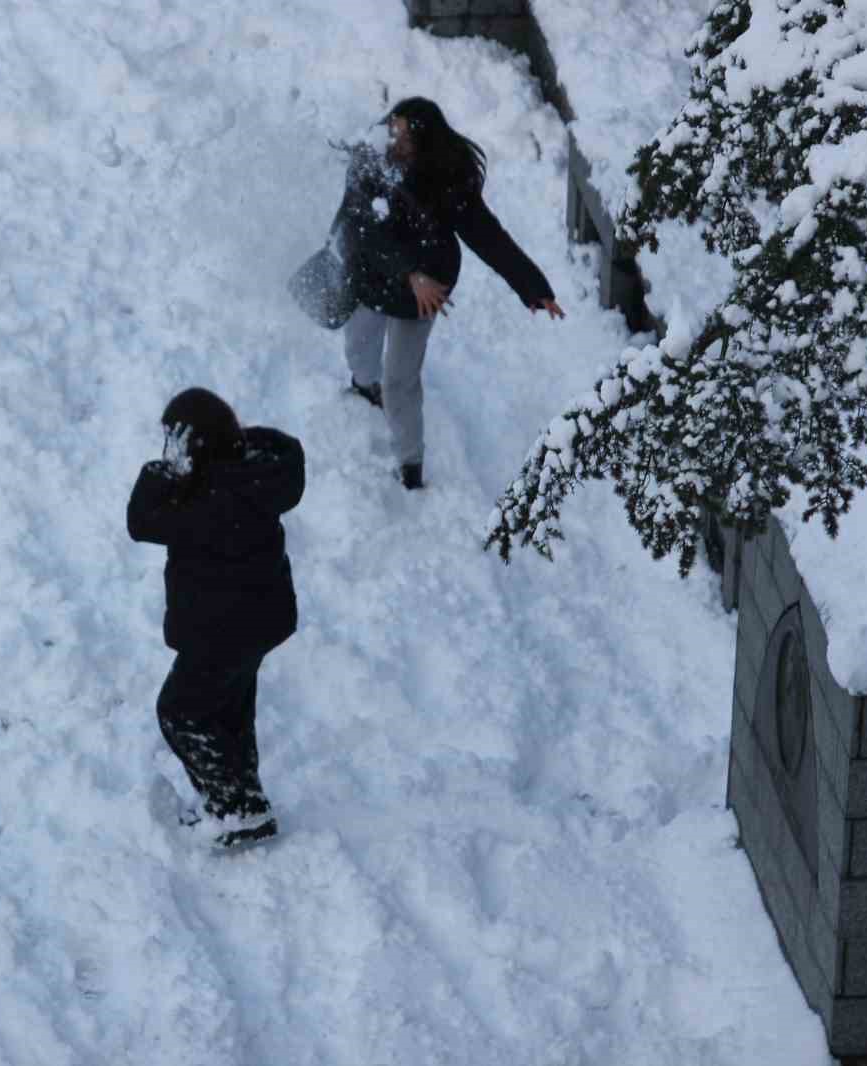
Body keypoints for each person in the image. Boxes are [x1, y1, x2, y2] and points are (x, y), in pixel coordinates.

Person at [334, 96, 565, 489]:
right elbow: (363, 231)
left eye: (404, 136)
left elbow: (486, 236)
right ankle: (363, 386)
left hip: (424, 290)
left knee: (401, 380)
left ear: (425, 142)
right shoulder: (370, 161)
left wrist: (532, 286)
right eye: (393, 129)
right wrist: (408, 273)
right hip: (374, 274)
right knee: (360, 345)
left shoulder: (446, 177)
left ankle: (410, 465)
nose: (393, 140)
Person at [127, 388, 305, 848]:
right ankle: (244, 801)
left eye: (176, 440)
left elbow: (141, 521)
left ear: (195, 446)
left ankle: (240, 810)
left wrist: (168, 469)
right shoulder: (254, 473)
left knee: (180, 711)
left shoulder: (211, 500)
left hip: (222, 630)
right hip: (258, 621)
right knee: (229, 711)